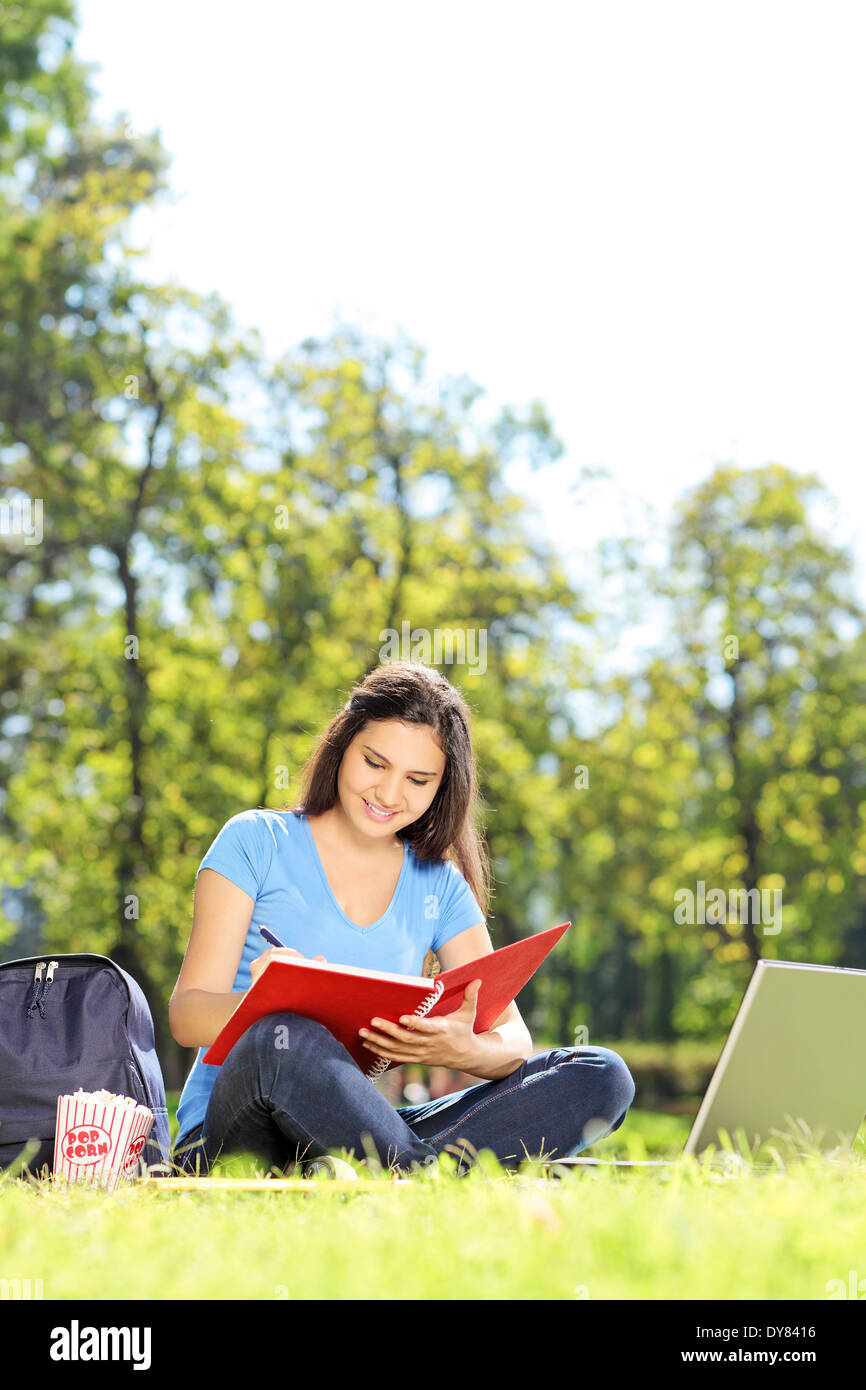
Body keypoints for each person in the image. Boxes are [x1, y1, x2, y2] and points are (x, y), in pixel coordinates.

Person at [169, 661, 635, 1177]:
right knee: (282, 1036)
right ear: (343, 745)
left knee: (602, 1074)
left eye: (418, 779)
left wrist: (466, 1050)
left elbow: (514, 1042)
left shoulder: (438, 883)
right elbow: (187, 1016)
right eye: (374, 763)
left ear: (442, 786)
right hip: (233, 1130)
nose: (389, 795)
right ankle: (427, 1175)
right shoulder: (255, 840)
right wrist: (263, 1004)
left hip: (351, 1133)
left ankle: (395, 1172)